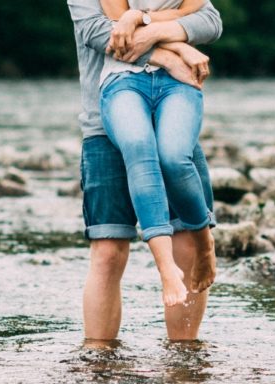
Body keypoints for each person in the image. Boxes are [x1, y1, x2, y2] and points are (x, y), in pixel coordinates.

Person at [67, 0, 223, 341]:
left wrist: (146, 23)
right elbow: (100, 33)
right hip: (103, 126)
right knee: (108, 251)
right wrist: (172, 52)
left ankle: (184, 364)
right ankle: (100, 361)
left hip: (170, 114)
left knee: (187, 244)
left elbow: (209, 20)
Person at [99, 0, 217, 308]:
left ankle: (205, 243)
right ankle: (166, 270)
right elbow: (117, 28)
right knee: (139, 147)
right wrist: (179, 47)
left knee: (175, 157)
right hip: (123, 77)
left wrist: (140, 16)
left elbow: (202, 18)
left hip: (179, 82)